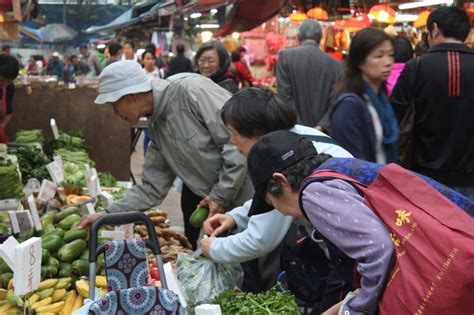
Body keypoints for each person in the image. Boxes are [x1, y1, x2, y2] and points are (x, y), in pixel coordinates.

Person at [245, 130, 473, 315]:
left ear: (281, 181)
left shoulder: (312, 193)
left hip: (444, 284)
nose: (281, 212)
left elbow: (378, 248)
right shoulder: (338, 169)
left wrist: (356, 309)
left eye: (272, 202)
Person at [77, 61, 253, 249]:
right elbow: (152, 188)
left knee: (267, 271)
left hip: (257, 200)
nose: (115, 113)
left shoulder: (190, 91)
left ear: (131, 97)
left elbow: (237, 141)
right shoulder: (158, 127)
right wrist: (106, 215)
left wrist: (220, 195)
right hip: (226, 214)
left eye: (114, 105)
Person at [199, 87, 353, 295]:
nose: (233, 142)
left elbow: (261, 239)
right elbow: (270, 200)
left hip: (353, 252)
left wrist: (214, 249)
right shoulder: (297, 136)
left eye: (234, 134)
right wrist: (235, 217)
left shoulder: (284, 159)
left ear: (257, 134)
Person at [391, 7, 474, 198]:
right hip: (470, 177)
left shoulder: (417, 67)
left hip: (425, 176)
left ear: (434, 29)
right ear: (466, 32)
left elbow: (395, 114)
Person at [330, 28, 398, 164]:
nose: (388, 62)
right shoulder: (349, 106)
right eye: (379, 56)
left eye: (390, 55)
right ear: (360, 62)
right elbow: (352, 162)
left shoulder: (381, 98)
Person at [276, 19, 342, 131]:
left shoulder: (285, 57)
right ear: (320, 39)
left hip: (295, 131)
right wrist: (320, 127)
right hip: (324, 135)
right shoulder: (336, 65)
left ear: (298, 37)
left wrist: (302, 127)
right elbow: (336, 102)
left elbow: (284, 98)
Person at [0, 55, 19, 144]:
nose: (5, 84)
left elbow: (9, 112)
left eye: (9, 81)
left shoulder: (9, 88)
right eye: (2, 80)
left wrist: (1, 127)